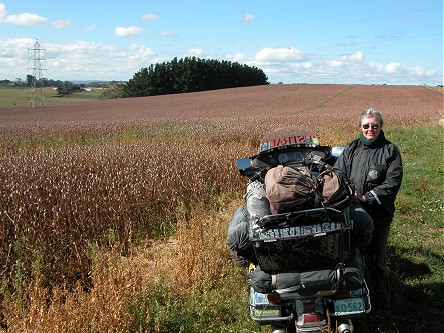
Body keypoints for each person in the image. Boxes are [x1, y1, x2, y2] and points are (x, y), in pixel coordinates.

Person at [333, 107, 403, 307]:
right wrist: (345, 190)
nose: (370, 129)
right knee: (351, 256)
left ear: (381, 126)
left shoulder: (390, 151)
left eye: (374, 125)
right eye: (366, 125)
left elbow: (392, 183)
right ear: (360, 127)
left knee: (377, 260)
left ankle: (381, 302)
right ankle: (353, 301)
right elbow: (338, 172)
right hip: (352, 212)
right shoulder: (352, 148)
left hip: (378, 214)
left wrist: (367, 197)